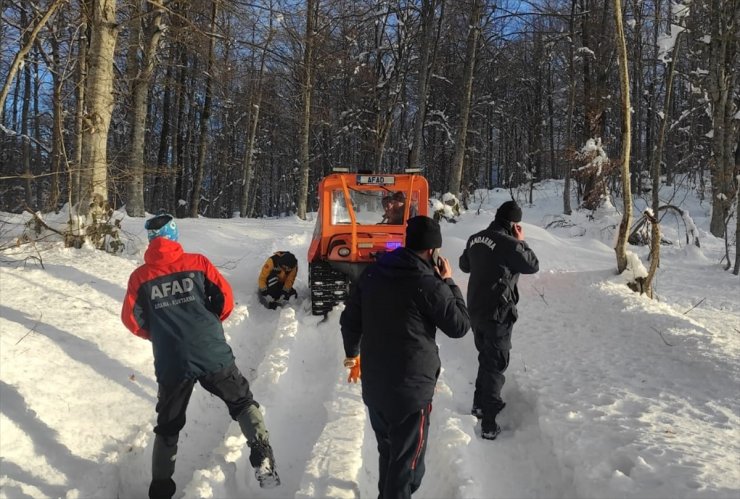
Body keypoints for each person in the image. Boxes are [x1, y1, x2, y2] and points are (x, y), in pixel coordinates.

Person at [121, 213, 280, 499]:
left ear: (151, 240)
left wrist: (159, 335)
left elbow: (132, 320)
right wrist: (210, 324)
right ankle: (262, 453)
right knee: (242, 401)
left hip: (172, 361)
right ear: (174, 235)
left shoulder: (140, 277)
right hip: (210, 350)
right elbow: (225, 299)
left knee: (168, 425)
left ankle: (160, 491)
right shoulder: (198, 263)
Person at [340, 216, 470, 499]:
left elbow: (350, 322)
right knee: (408, 469)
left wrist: (352, 357)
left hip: (375, 386)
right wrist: (449, 282)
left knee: (388, 451)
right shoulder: (428, 283)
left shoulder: (372, 274)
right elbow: (459, 325)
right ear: (432, 251)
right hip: (411, 392)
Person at [458, 200, 539, 440]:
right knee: (496, 363)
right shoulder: (510, 243)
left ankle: (479, 405)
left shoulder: (475, 238)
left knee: (486, 356)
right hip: (498, 311)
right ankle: (489, 424)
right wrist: (520, 241)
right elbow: (532, 265)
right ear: (514, 224)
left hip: (475, 308)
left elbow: (464, 265)